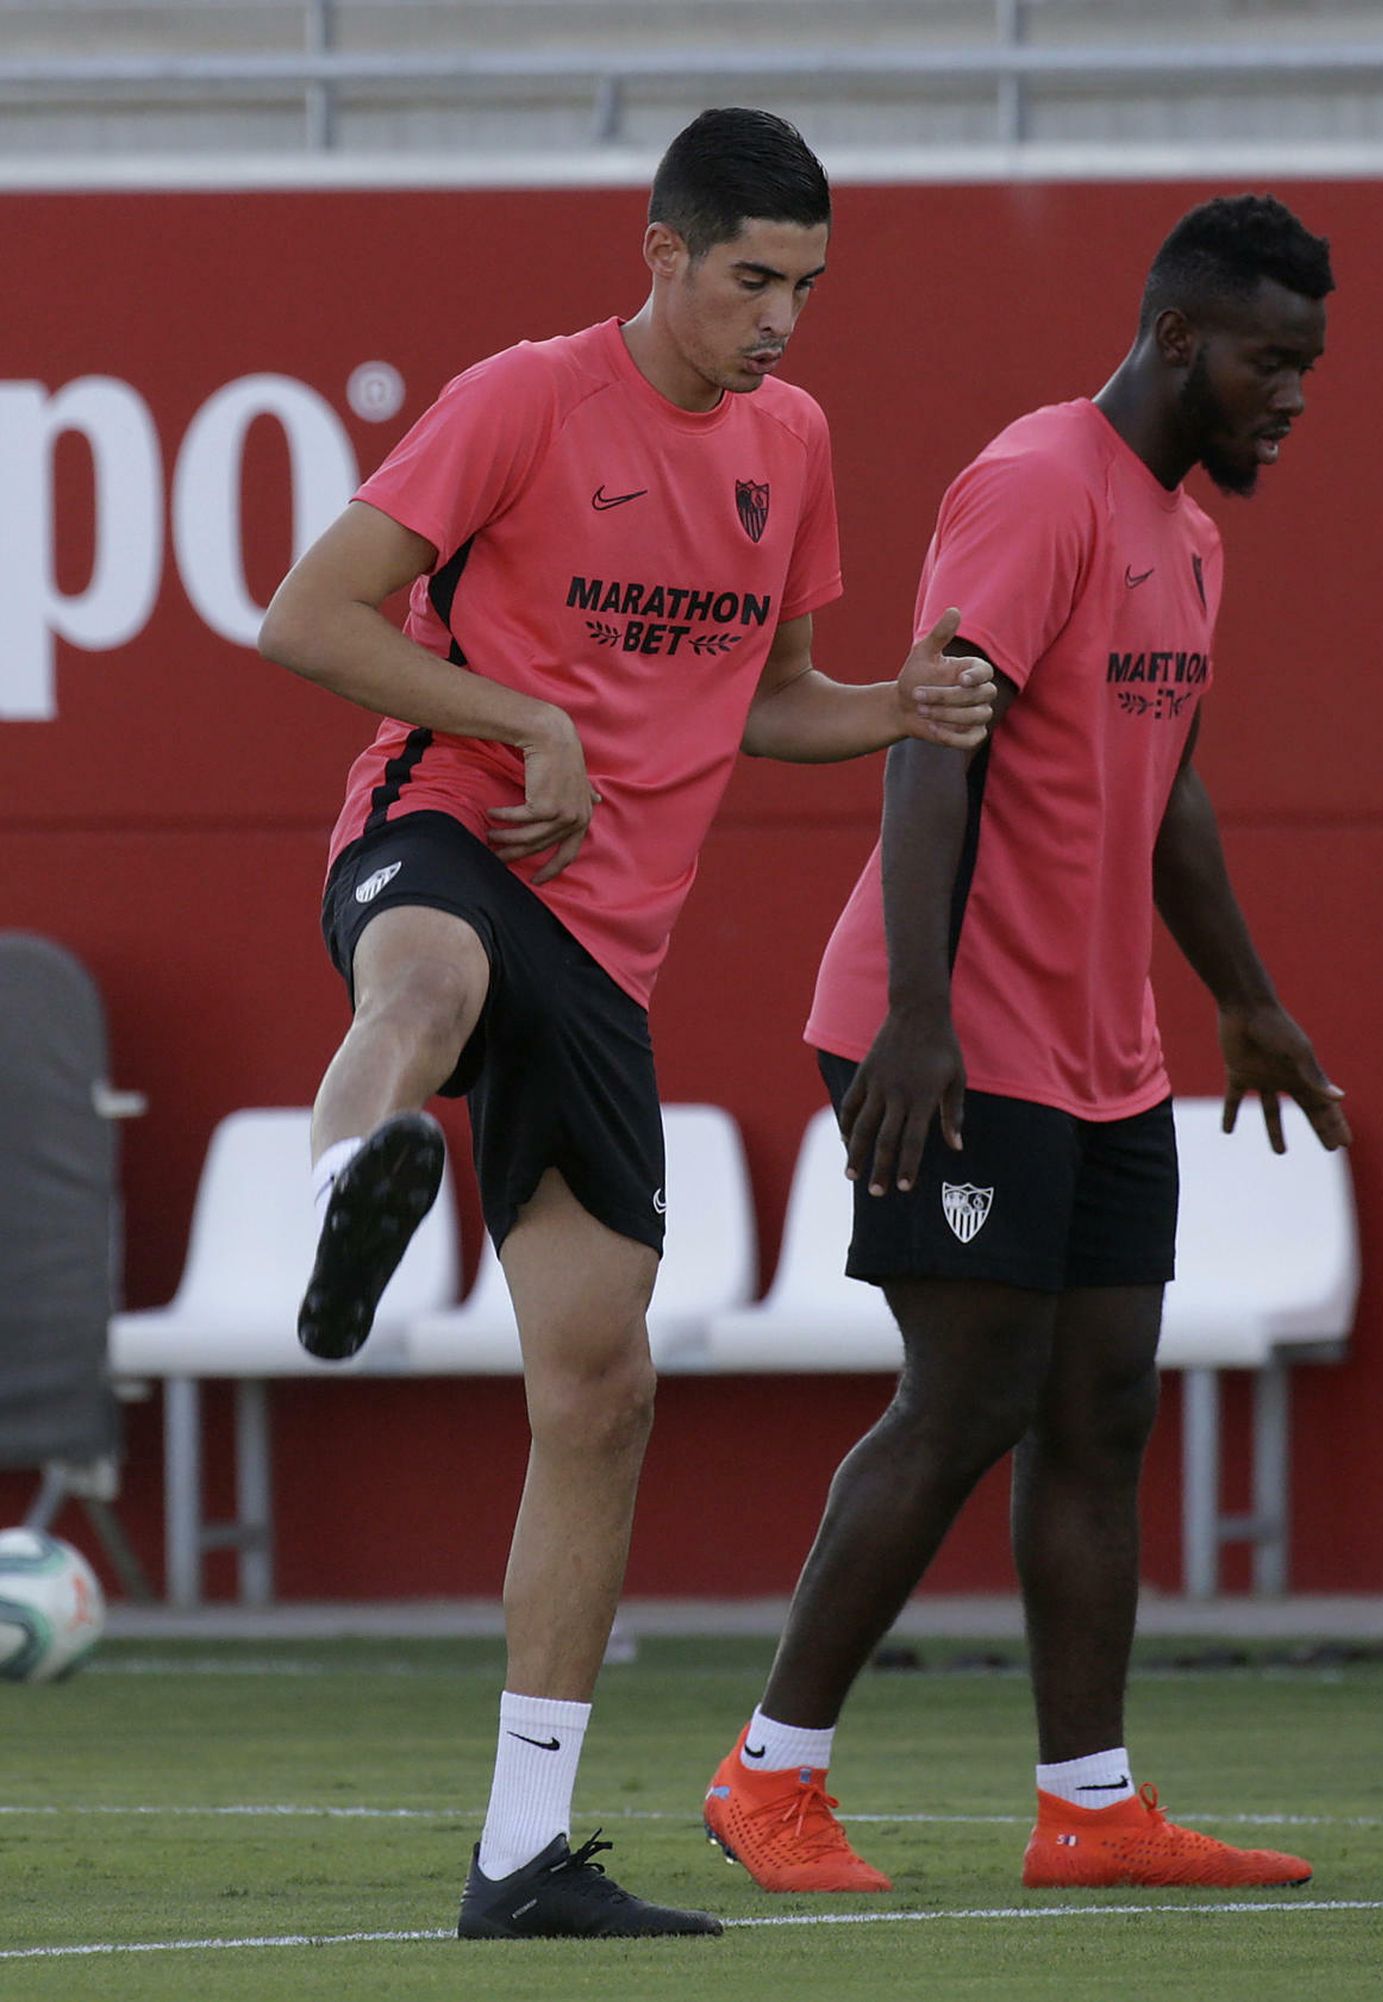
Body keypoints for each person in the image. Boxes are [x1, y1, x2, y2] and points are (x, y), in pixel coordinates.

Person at [257, 107, 993, 1942]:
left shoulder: (792, 441)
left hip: (609, 956)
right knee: (424, 984)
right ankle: (348, 1184)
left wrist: (902, 705)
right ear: (659, 252)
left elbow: (773, 701)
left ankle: (518, 1861)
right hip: (455, 822)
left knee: (601, 1388)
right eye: (753, 279)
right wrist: (532, 715)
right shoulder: (522, 397)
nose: (781, 322)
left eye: (806, 289)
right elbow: (304, 616)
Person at [704, 193, 1351, 1897]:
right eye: (1271, 363)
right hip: (949, 1034)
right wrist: (919, 1012)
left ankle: (1092, 1806)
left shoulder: (1191, 537)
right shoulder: (1036, 484)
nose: (1292, 396)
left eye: (1309, 366)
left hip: (1102, 1047)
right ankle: (770, 1776)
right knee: (970, 1389)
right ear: (1177, 341)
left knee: (1102, 1402)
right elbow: (933, 737)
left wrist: (1249, 997)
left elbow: (1171, 790)